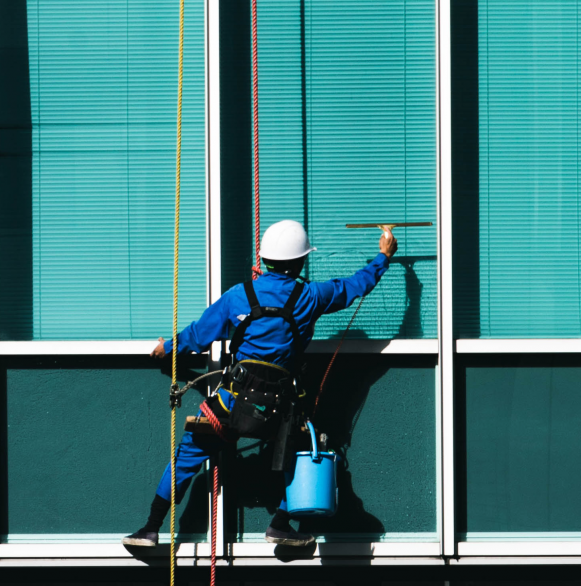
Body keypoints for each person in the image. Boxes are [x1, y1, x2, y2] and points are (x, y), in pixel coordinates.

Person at [124, 219, 397, 549]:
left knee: (187, 456)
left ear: (265, 260)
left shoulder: (238, 296)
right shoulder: (311, 296)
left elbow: (197, 335)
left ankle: (151, 528)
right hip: (279, 410)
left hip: (231, 402)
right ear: (300, 261)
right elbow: (355, 285)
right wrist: (384, 256)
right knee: (304, 452)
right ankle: (280, 524)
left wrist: (166, 348)